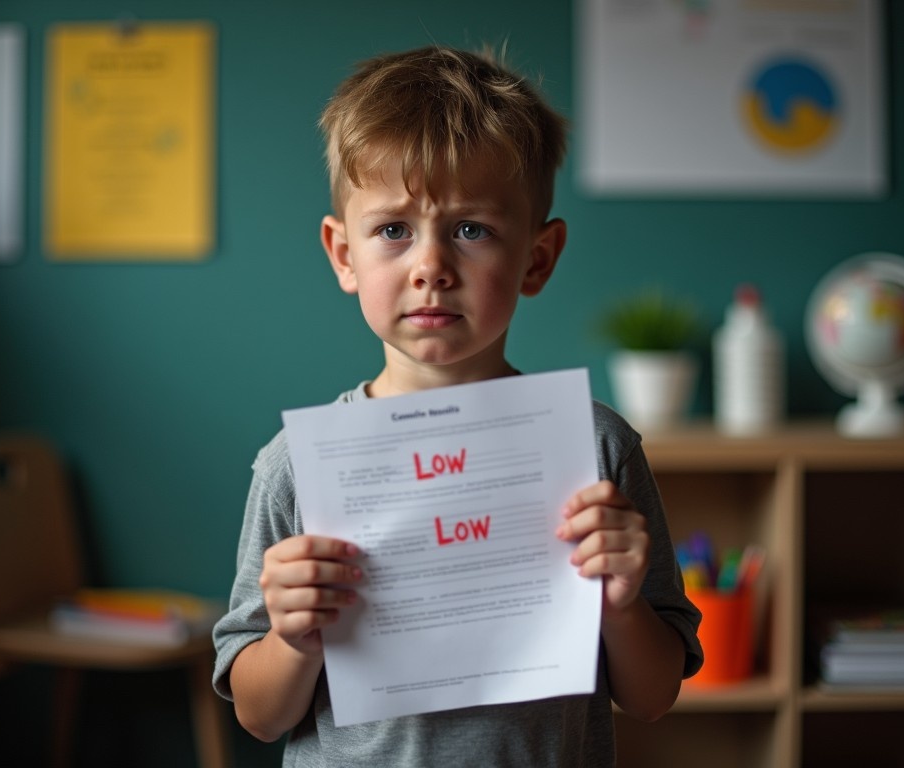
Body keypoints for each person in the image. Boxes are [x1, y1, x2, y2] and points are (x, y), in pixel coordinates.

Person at [212, 44, 703, 767]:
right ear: (344, 255)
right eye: (393, 231)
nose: (432, 267)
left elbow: (654, 695)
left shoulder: (595, 449)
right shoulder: (295, 469)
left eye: (471, 230)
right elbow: (258, 716)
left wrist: (623, 602)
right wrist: (292, 637)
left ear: (537, 259)